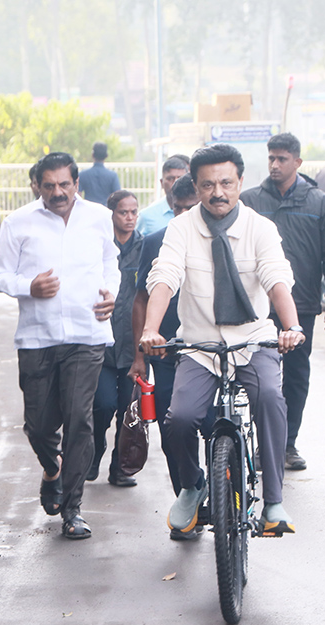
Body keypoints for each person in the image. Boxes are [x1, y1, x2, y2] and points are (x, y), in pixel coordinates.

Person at [139, 144, 302, 539]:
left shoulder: (260, 228)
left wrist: (291, 326)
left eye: (226, 183)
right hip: (199, 346)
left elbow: (276, 278)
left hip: (253, 341)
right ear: (196, 187)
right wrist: (150, 329)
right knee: (179, 418)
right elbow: (165, 277)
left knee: (270, 399)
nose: (218, 193)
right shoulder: (181, 228)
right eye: (208, 185)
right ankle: (192, 485)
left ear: (240, 182)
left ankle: (274, 500)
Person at [0, 152, 119, 540]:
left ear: (77, 184)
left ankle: (73, 508)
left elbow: (110, 261)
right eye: (49, 186)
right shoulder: (18, 222)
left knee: (80, 419)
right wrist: (27, 286)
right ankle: (52, 468)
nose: (58, 192)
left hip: (87, 334)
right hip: (38, 337)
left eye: (65, 184)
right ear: (38, 186)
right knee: (38, 426)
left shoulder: (99, 217)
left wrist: (111, 292)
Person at [239, 132, 325, 471]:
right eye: (271, 158)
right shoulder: (250, 200)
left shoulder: (318, 202)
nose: (274, 164)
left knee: (296, 376)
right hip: (255, 307)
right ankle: (263, 443)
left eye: (282, 159)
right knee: (258, 377)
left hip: (301, 305)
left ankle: (287, 444)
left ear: (297, 162)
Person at [129, 174, 199, 531]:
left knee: (218, 422)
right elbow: (140, 299)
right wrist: (140, 355)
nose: (184, 215)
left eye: (191, 208)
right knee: (173, 428)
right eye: (178, 209)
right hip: (167, 351)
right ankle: (188, 495)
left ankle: (228, 489)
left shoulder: (224, 240)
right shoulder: (156, 241)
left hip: (211, 350)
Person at [89, 190, 143, 487]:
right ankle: (94, 450)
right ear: (111, 214)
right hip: (103, 343)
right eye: (123, 212)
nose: (130, 218)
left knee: (128, 410)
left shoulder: (145, 248)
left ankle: (120, 467)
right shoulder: (98, 246)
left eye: (134, 212)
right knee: (102, 404)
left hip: (134, 345)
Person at [137, 156, 189, 237]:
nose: (175, 183)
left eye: (180, 178)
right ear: (161, 183)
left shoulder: (198, 212)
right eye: (170, 179)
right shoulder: (146, 216)